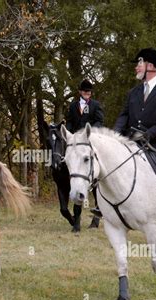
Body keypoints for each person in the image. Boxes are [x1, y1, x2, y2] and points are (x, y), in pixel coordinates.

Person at [114, 48, 156, 219]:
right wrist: (114, 136)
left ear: (150, 66)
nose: (136, 67)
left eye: (139, 63)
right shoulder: (133, 92)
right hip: (134, 140)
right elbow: (124, 116)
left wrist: (150, 133)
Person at [65, 79, 104, 226]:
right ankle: (77, 220)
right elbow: (69, 121)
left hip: (89, 139)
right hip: (76, 141)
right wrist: (70, 133)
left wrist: (89, 132)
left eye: (89, 91)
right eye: (85, 91)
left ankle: (96, 217)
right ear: (80, 92)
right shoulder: (73, 106)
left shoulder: (95, 105)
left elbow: (100, 121)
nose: (87, 93)